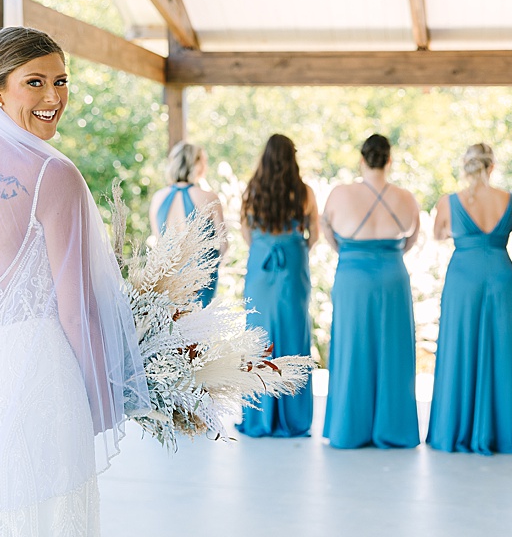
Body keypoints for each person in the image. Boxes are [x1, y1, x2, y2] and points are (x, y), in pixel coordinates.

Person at [0, 27, 149, 536]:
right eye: (36, 83)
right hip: (48, 378)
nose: (53, 98)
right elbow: (77, 311)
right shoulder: (54, 174)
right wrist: (107, 397)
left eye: (61, 81)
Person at [426, 143, 512, 455]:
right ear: (492, 166)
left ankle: (455, 428)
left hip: (463, 278)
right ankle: (500, 432)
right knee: (501, 349)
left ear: (466, 167)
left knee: (460, 347)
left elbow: (438, 234)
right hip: (501, 276)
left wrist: (460, 231)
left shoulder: (449, 201)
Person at [320, 134, 420, 449]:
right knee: (394, 349)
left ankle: (350, 428)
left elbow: (327, 232)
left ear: (362, 160)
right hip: (393, 275)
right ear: (389, 161)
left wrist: (350, 254)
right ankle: (393, 428)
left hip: (353, 276)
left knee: (353, 347)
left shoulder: (340, 194)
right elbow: (412, 239)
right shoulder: (406, 197)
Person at [236, 134, 319, 437]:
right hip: (292, 267)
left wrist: (266, 244)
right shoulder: (305, 193)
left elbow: (247, 234)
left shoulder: (252, 191)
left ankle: (259, 417)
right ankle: (293, 418)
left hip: (260, 268)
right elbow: (315, 234)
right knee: (293, 333)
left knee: (259, 335)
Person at [149, 141, 227, 307]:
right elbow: (224, 243)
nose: (206, 166)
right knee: (199, 328)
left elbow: (159, 243)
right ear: (196, 164)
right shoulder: (209, 197)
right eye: (204, 161)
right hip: (201, 278)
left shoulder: (158, 197)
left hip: (168, 277)